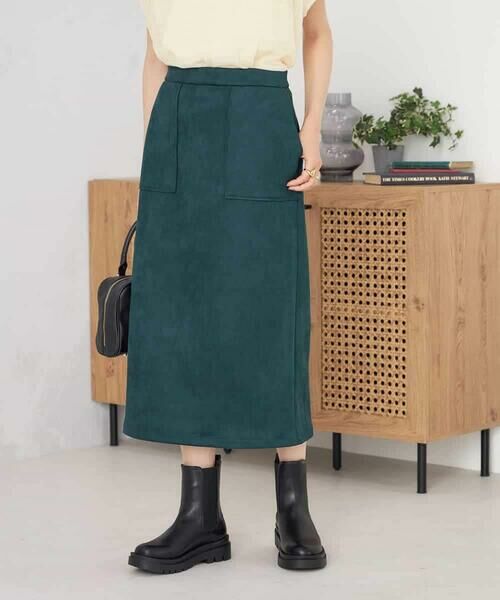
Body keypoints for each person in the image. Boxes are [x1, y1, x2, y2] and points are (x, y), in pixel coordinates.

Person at [123, 0, 333, 574]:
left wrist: (311, 126)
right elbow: (155, 55)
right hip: (177, 124)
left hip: (261, 119)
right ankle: (200, 518)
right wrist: (155, 147)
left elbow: (317, 34)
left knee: (273, 308)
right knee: (182, 310)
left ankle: (293, 507)